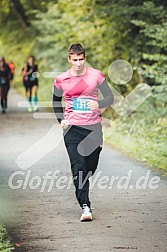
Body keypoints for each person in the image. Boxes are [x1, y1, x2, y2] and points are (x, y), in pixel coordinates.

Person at [53, 43, 114, 222]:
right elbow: (56, 101)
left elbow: (110, 97)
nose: (78, 63)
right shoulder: (61, 79)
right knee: (78, 167)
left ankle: (81, 182)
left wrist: (99, 104)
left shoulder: (96, 75)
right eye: (75, 60)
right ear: (69, 59)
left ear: (85, 58)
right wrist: (60, 120)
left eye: (81, 59)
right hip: (72, 129)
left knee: (89, 167)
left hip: (93, 127)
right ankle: (85, 206)